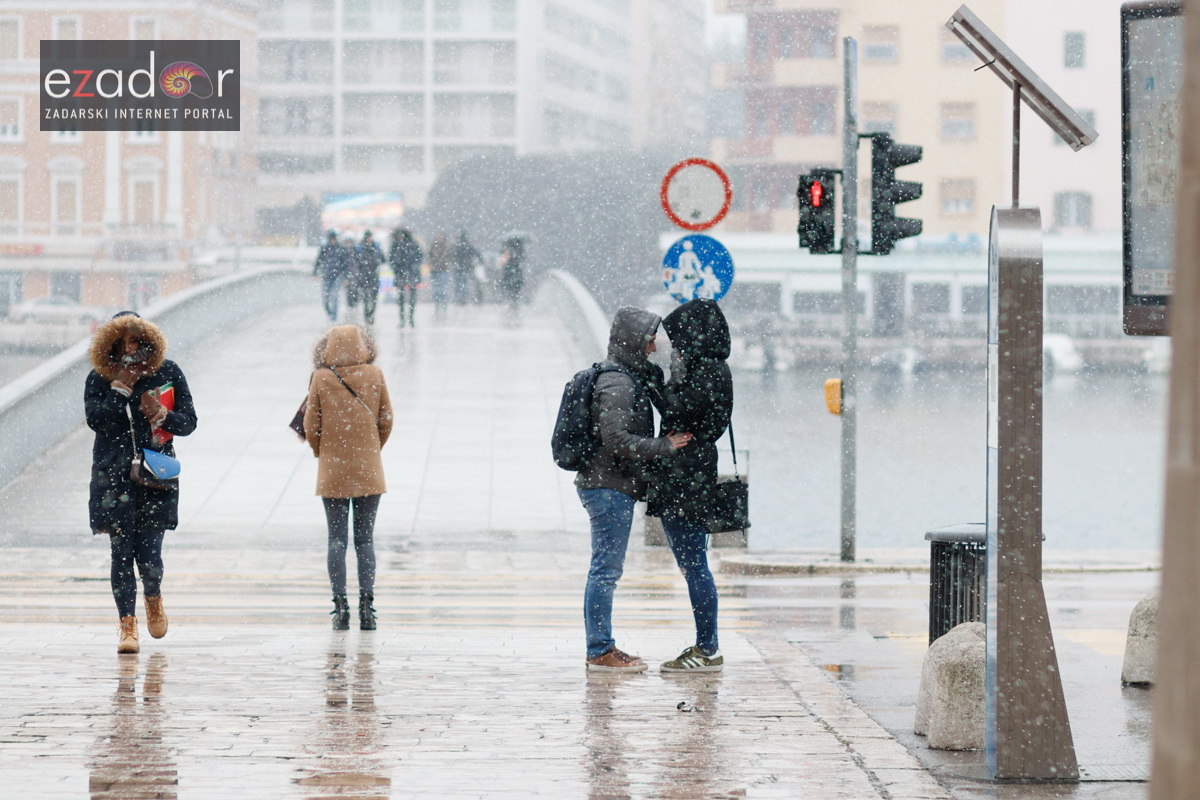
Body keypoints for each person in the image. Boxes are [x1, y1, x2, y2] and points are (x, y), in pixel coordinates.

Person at [576, 307, 692, 672]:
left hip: (610, 483)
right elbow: (616, 439)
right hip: (609, 486)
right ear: (633, 340)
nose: (654, 343)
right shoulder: (619, 383)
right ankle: (600, 650)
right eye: (649, 338)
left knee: (606, 569)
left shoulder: (628, 376)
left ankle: (602, 646)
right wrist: (665, 446)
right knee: (605, 571)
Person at [86, 311, 198, 654]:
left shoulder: (167, 372)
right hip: (113, 477)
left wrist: (161, 415)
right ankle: (127, 626)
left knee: (149, 556)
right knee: (120, 554)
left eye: (136, 340)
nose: (131, 348)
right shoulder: (100, 377)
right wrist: (119, 389)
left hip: (154, 475)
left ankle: (153, 595)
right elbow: (96, 421)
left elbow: (190, 422)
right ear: (113, 344)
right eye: (123, 342)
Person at [647, 299, 733, 673]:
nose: (674, 347)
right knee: (692, 564)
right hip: (686, 475)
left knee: (695, 565)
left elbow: (682, 412)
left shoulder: (709, 371)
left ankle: (708, 648)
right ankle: (705, 644)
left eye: (679, 338)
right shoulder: (705, 367)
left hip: (689, 477)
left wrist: (654, 387)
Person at [304, 325, 394, 630]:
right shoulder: (375, 375)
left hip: (333, 470)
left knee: (337, 540)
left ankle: (340, 609)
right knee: (365, 540)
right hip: (369, 469)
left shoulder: (321, 377)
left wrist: (323, 452)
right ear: (364, 345)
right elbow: (386, 419)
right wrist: (371, 447)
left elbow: (310, 424)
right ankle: (367, 609)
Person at [314, 231, 351, 323]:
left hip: (337, 276)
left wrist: (346, 277)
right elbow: (318, 261)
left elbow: (346, 264)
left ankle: (333, 316)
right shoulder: (325, 248)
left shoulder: (341, 249)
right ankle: (330, 313)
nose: (332, 240)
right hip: (326, 275)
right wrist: (314, 273)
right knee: (325, 298)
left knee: (334, 296)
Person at [389, 228, 422, 328]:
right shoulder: (399, 246)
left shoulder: (408, 245)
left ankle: (408, 318)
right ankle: (405, 319)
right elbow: (392, 259)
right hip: (404, 274)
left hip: (408, 274)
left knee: (408, 298)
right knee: (404, 298)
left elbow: (419, 257)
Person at [353, 230, 385, 326]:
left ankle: (370, 314)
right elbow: (355, 260)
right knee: (366, 298)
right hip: (364, 276)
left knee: (373, 297)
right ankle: (367, 315)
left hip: (373, 275)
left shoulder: (376, 247)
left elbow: (383, 259)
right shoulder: (360, 248)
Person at [451, 231, 482, 305]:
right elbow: (477, 254)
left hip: (458, 268)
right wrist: (480, 261)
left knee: (458, 284)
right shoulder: (468, 246)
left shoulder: (457, 246)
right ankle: (463, 298)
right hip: (466, 267)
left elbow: (453, 256)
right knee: (464, 283)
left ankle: (458, 298)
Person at [498, 236, 526, 313]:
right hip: (517, 274)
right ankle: (514, 304)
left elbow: (502, 261)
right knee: (516, 290)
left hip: (508, 273)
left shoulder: (506, 249)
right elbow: (522, 259)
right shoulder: (520, 249)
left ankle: (511, 304)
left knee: (509, 289)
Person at [427, 232, 452, 317]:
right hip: (434, 271)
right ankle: (437, 304)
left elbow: (449, 258)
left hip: (443, 270)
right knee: (436, 289)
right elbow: (429, 257)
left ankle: (443, 304)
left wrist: (442, 264)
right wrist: (431, 265)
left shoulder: (446, 247)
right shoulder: (433, 247)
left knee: (442, 288)